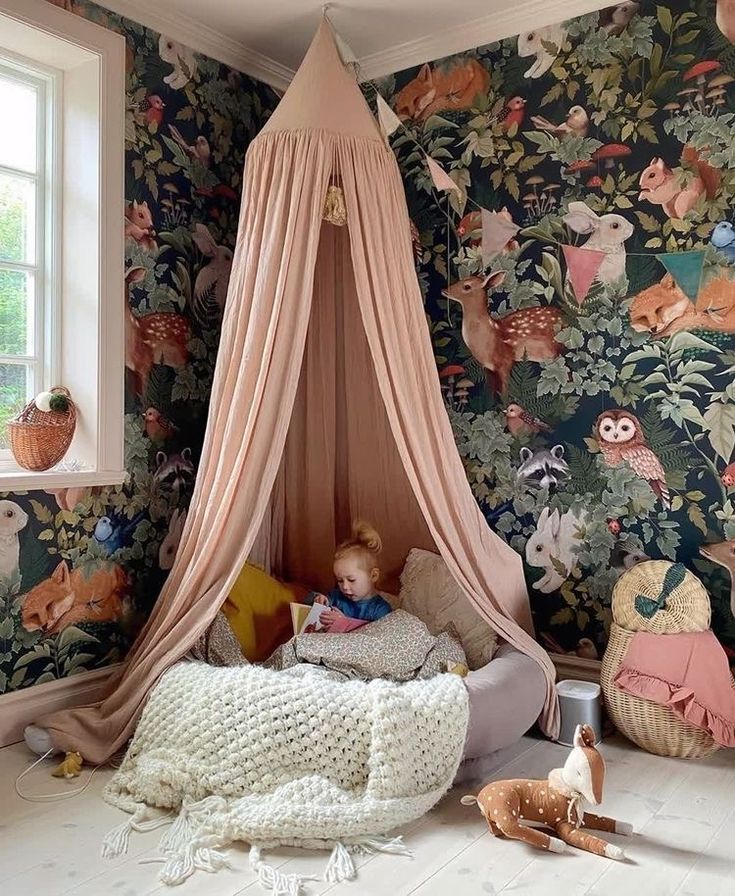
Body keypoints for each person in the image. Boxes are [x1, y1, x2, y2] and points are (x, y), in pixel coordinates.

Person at [309, 521, 392, 631]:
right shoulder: (336, 597)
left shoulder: (380, 609)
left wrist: (344, 623)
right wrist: (319, 599)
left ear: (373, 576)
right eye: (340, 580)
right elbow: (311, 601)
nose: (345, 587)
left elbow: (377, 637)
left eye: (351, 580)